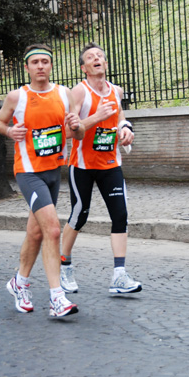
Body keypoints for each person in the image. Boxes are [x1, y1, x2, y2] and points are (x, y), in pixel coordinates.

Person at [0, 44, 85, 317]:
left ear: (51, 65)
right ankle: (57, 298)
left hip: (53, 172)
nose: (41, 66)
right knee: (53, 230)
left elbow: (75, 135)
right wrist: (10, 131)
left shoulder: (63, 94)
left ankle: (18, 282)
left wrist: (77, 126)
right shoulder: (17, 96)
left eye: (45, 61)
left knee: (36, 232)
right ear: (27, 68)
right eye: (36, 62)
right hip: (28, 173)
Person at [60, 42, 142, 295]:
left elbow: (119, 118)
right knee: (79, 215)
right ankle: (64, 265)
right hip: (83, 165)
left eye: (100, 56)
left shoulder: (115, 91)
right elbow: (68, 132)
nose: (96, 59)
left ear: (105, 64)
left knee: (120, 215)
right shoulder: (79, 93)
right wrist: (96, 116)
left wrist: (126, 128)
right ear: (84, 68)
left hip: (111, 163)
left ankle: (119, 276)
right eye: (90, 57)